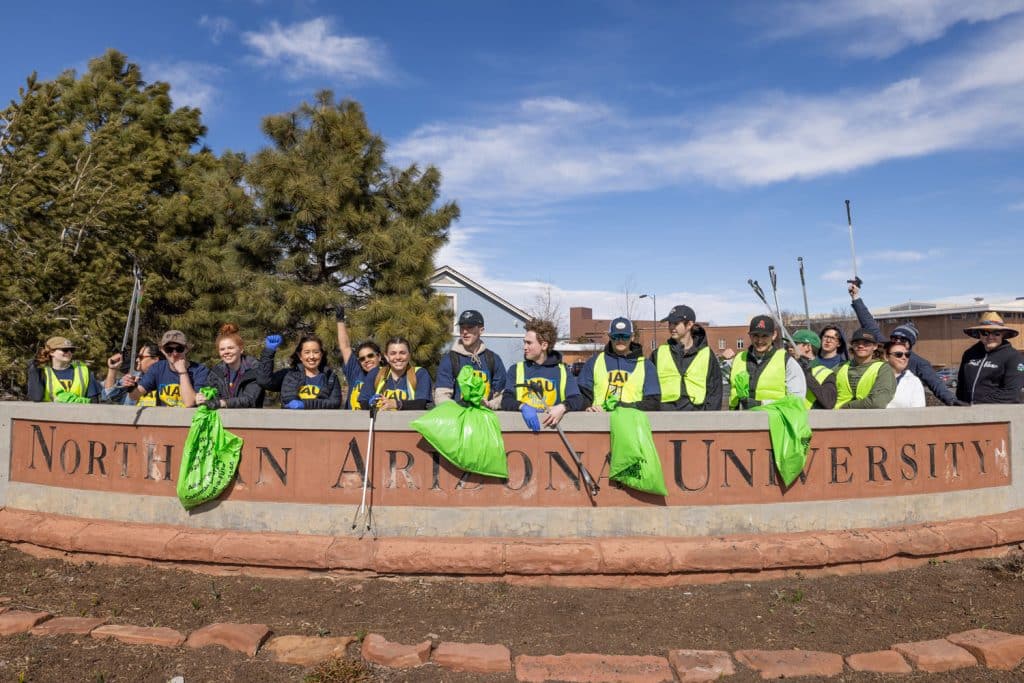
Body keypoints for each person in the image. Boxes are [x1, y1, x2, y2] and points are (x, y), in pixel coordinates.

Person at [849, 283, 960, 405]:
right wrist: (856, 298)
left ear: (910, 345)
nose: (897, 341)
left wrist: (952, 400)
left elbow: (936, 383)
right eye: (894, 338)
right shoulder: (884, 347)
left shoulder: (919, 363)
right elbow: (869, 323)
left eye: (902, 340)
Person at [501, 318, 584, 429]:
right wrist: (522, 406)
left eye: (529, 343)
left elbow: (577, 399)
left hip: (553, 432)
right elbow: (506, 400)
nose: (525, 347)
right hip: (524, 430)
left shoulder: (562, 370)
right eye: (524, 342)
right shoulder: (516, 369)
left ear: (544, 346)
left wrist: (562, 407)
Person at [578, 316, 659, 411]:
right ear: (609, 337)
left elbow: (653, 402)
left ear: (632, 337)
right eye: (615, 337)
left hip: (632, 422)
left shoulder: (646, 366)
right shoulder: (594, 363)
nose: (620, 340)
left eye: (625, 336)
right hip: (599, 422)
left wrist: (621, 407)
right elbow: (582, 396)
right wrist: (587, 408)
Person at [650, 305, 721, 411]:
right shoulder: (658, 353)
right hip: (666, 418)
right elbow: (650, 388)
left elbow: (715, 391)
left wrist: (708, 419)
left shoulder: (707, 354)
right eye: (670, 323)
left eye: (676, 323)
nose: (671, 327)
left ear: (689, 325)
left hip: (697, 418)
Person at [433, 309, 507, 409]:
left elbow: (503, 395)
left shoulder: (493, 359)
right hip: (458, 419)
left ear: (481, 330)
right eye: (462, 327)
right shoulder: (449, 359)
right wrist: (459, 408)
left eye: (470, 327)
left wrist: (489, 405)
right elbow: (441, 396)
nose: (465, 332)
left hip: (485, 419)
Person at [729, 316, 806, 410]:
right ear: (750, 336)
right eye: (756, 335)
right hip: (739, 421)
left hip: (773, 422)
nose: (760, 341)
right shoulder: (738, 359)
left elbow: (796, 400)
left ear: (774, 335)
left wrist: (761, 404)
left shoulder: (787, 361)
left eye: (765, 336)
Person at [125, 330, 209, 407]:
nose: (174, 353)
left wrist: (183, 372)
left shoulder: (200, 371)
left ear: (186, 349)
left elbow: (189, 403)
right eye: (169, 349)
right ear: (162, 350)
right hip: (164, 419)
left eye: (179, 349)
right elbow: (135, 396)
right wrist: (132, 387)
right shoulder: (157, 368)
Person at [956, 312, 1024, 405]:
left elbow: (1011, 393)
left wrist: (979, 404)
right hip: (968, 413)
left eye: (996, 333)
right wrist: (961, 404)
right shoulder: (969, 354)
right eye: (985, 333)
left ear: (1003, 335)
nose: (990, 337)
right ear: (979, 334)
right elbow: (961, 385)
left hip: (1000, 413)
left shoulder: (1014, 357)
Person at [267, 333, 343, 409]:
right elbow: (265, 381)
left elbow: (334, 403)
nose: (312, 356)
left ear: (321, 354)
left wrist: (305, 404)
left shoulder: (331, 378)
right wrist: (268, 352)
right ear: (300, 356)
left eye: (316, 352)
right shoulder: (290, 375)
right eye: (307, 352)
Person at [358, 337, 432, 411]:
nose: (398, 357)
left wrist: (396, 404)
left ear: (409, 355)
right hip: (381, 422)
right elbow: (363, 403)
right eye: (393, 353)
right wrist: (374, 403)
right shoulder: (375, 373)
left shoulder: (420, 373)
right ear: (386, 357)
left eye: (402, 353)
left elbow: (421, 404)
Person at [203, 323, 265, 409]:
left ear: (241, 349)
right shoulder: (216, 372)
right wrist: (203, 398)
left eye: (230, 348)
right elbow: (213, 397)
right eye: (222, 349)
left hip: (250, 419)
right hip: (223, 420)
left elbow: (250, 400)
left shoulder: (255, 369)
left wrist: (224, 403)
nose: (226, 352)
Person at [27, 336, 102, 402]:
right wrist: (33, 370)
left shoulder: (83, 370)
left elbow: (94, 401)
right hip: (52, 416)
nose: (69, 353)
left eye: (71, 350)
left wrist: (77, 401)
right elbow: (36, 397)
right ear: (51, 352)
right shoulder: (42, 373)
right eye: (65, 350)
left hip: (78, 415)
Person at [334, 305, 382, 409]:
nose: (367, 360)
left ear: (379, 357)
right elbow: (345, 347)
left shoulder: (388, 375)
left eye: (370, 356)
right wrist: (340, 321)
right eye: (362, 358)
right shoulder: (356, 372)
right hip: (352, 422)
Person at [835, 328, 896, 409]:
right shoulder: (839, 368)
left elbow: (878, 402)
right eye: (856, 342)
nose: (860, 346)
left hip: (869, 419)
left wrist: (846, 406)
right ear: (852, 345)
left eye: (866, 343)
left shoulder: (883, 369)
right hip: (837, 419)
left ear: (875, 346)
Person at [789, 329, 837, 409]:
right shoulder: (789, 369)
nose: (790, 349)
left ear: (808, 347)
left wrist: (805, 371)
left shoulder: (826, 373)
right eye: (788, 345)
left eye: (795, 344)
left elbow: (829, 402)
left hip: (812, 419)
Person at [885, 339, 925, 408]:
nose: (904, 357)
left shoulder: (914, 382)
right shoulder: (875, 377)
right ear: (886, 357)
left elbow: (918, 412)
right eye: (898, 354)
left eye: (907, 355)